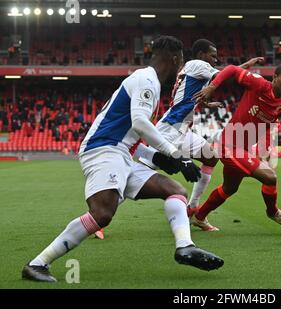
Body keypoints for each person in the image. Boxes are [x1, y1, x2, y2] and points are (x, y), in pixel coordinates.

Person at [21, 36, 224, 283]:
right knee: (102, 214)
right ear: (174, 59)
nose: (181, 71)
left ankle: (185, 247)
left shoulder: (150, 85)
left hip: (122, 153)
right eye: (180, 63)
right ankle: (37, 264)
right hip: (103, 150)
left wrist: (159, 158)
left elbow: (132, 138)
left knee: (175, 191)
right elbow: (139, 123)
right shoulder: (146, 79)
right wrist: (174, 154)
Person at [133, 39, 264, 215]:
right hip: (170, 129)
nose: (216, 60)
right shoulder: (197, 64)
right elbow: (224, 76)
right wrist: (247, 65)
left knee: (210, 157)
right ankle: (101, 212)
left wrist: (207, 104)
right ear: (202, 55)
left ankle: (192, 208)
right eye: (213, 56)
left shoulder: (193, 70)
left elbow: (188, 96)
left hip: (183, 130)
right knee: (140, 172)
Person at [191, 63, 281, 231]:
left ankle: (199, 217)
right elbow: (231, 69)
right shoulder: (258, 84)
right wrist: (212, 87)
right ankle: (273, 212)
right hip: (227, 145)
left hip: (241, 151)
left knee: (230, 188)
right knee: (270, 177)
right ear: (275, 78)